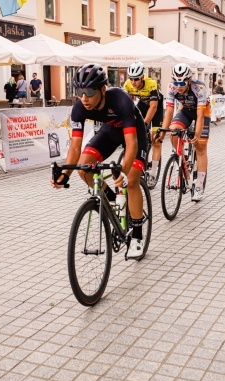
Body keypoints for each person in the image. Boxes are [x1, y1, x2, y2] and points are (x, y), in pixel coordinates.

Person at [50, 63, 147, 259]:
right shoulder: (79, 107)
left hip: (134, 133)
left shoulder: (121, 99)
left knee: (133, 178)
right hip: (110, 131)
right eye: (79, 91)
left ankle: (137, 235)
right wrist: (64, 174)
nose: (84, 97)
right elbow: (76, 147)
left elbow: (132, 142)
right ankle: (113, 199)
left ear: (103, 89)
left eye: (90, 91)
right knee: (84, 168)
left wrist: (123, 172)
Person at [162, 63, 210, 202]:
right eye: (176, 82)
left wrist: (197, 134)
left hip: (202, 111)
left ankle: (199, 186)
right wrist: (164, 131)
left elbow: (200, 115)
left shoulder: (199, 87)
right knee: (173, 131)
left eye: (182, 82)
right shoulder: (171, 87)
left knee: (200, 146)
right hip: (186, 111)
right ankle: (182, 160)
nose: (179, 85)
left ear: (189, 80)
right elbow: (169, 111)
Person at [123, 61, 164, 186]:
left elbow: (153, 107)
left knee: (156, 140)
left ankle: (152, 174)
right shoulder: (128, 85)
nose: (133, 82)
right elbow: (124, 104)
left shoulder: (151, 83)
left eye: (136, 79)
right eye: (131, 79)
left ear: (142, 77)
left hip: (155, 107)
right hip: (142, 105)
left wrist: (144, 124)